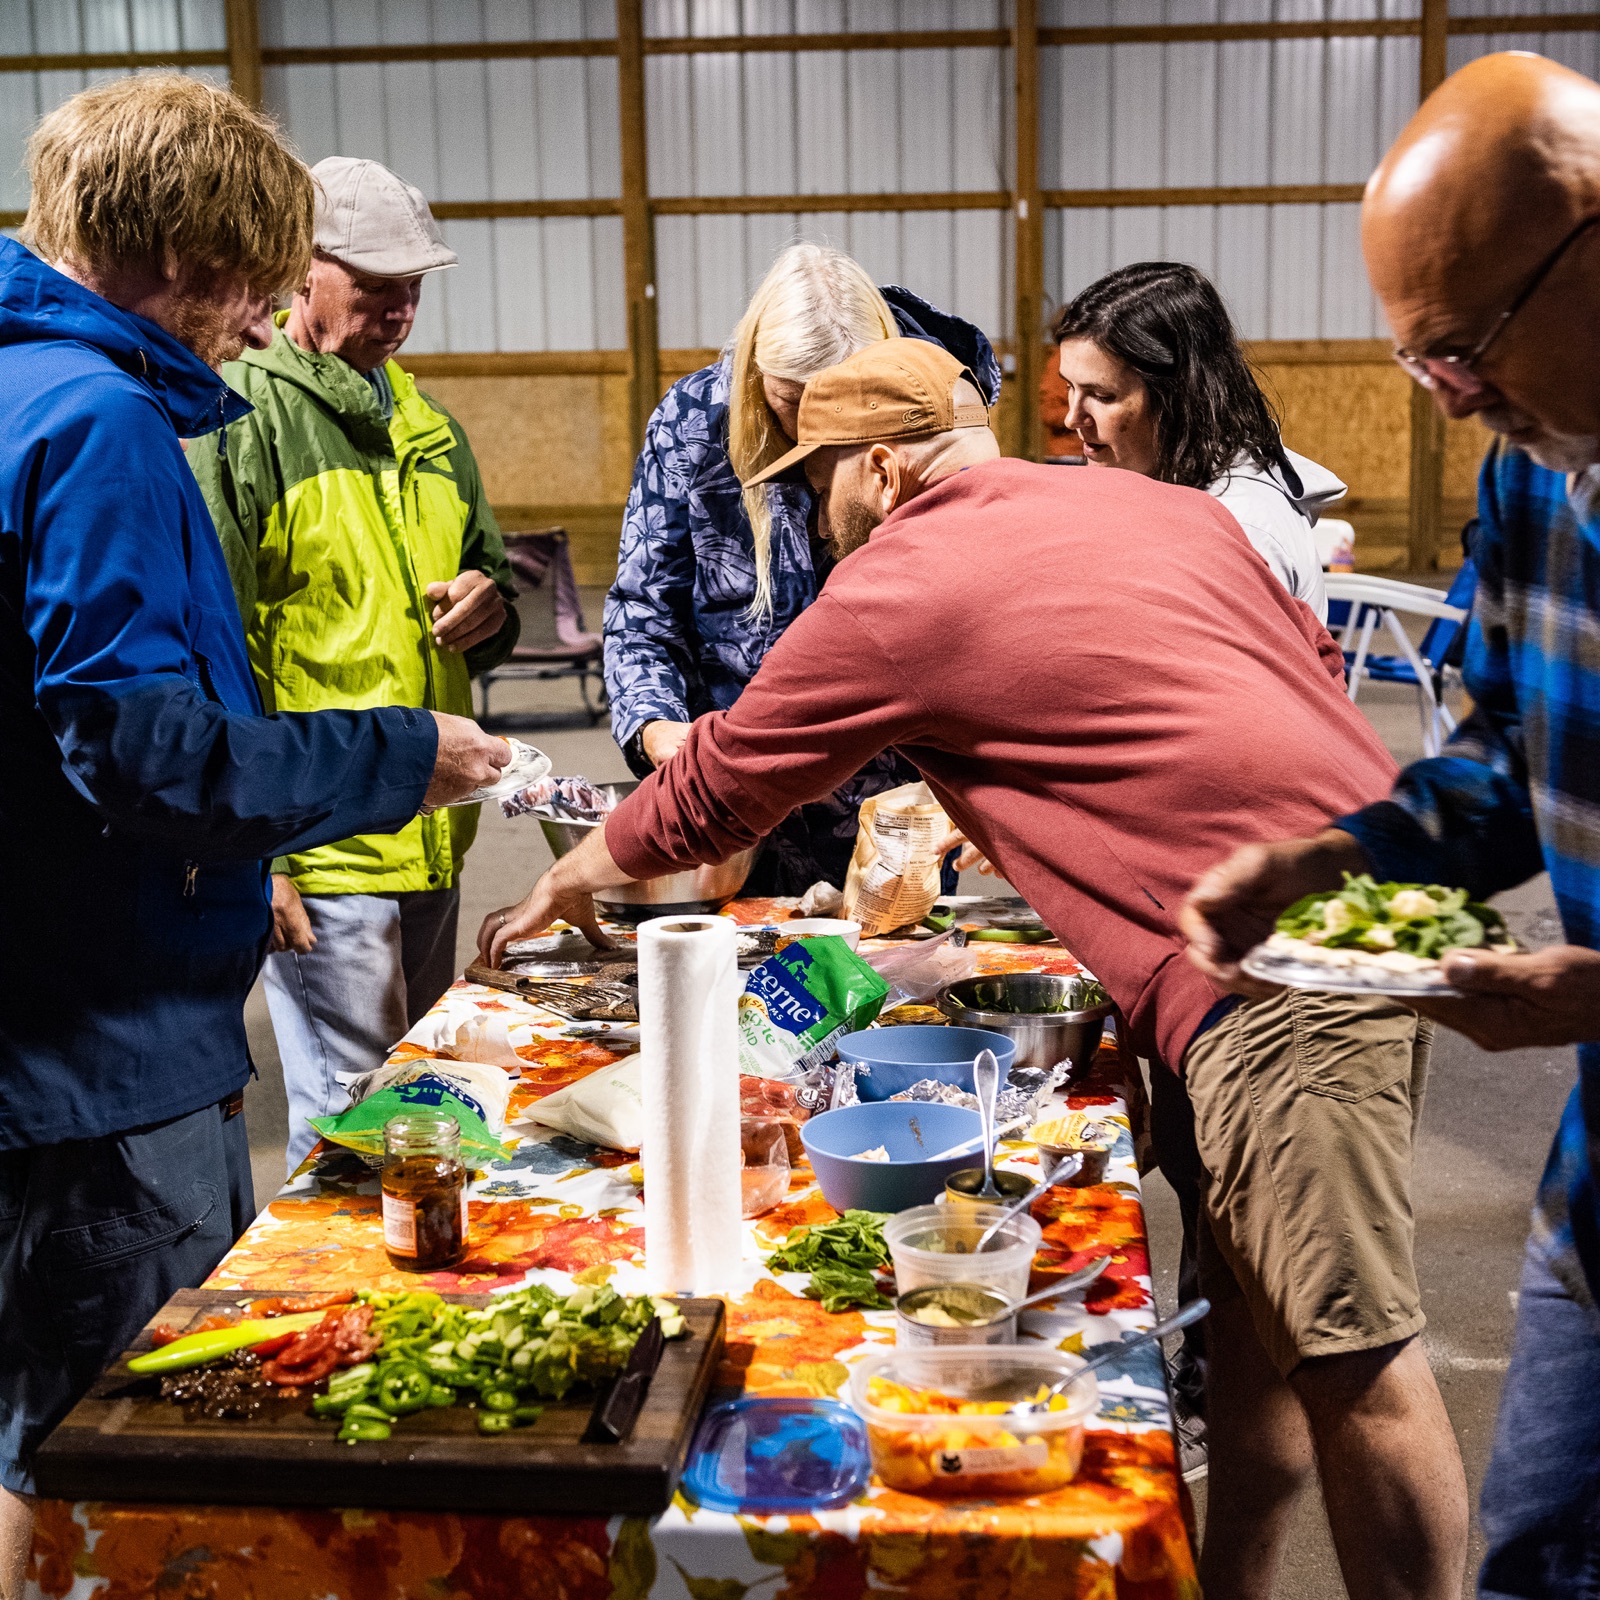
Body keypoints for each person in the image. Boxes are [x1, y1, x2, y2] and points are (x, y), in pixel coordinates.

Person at [483, 338, 1467, 1600]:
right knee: (1262, 1340)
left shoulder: (901, 578)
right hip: (1369, 910)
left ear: (882, 468)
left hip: (1265, 976)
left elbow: (718, 788)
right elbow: (1275, 679)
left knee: (1352, 1355)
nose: (805, 515)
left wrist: (569, 875)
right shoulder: (1158, 506)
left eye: (813, 483)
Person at [0, 76, 507, 1584]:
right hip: (105, 1049)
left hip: (49, 1025)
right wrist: (394, 758)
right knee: (128, 1436)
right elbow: (141, 747)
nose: (265, 313)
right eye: (258, 281)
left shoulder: (24, 387)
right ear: (187, 257)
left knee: (45, 1414)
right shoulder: (96, 422)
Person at [1181, 52, 1600, 1600]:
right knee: (1542, 1562)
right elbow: (1495, 760)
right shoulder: (1536, 484)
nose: (1457, 396)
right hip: (1596, 1196)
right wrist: (1336, 856)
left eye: (1466, 349)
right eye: (1426, 365)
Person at [190, 156, 520, 1172]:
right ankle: (322, 1325)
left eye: (413, 286)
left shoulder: (429, 427)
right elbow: (214, 650)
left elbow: (496, 576)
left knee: (425, 1110)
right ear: (301, 271)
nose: (401, 309)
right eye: (376, 285)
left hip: (433, 832)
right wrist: (263, 858)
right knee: (354, 1133)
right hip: (323, 846)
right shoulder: (236, 420)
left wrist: (488, 601)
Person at [603, 241, 1001, 893]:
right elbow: (643, 609)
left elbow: (977, 615)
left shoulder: (937, 412)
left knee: (893, 986)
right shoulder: (693, 421)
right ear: (759, 370)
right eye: (790, 401)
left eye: (836, 408)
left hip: (892, 817)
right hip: (735, 813)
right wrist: (654, 727)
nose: (809, 430)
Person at [1055, 260, 1343, 621]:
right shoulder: (1169, 482)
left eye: (1102, 395)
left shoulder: (1241, 531)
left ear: (1179, 397)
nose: (1072, 418)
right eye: (1070, 387)